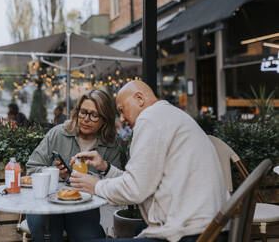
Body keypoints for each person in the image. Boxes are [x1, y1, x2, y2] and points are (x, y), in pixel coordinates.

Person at [70, 81, 228, 242]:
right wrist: (105, 167)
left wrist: (95, 185)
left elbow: (135, 189)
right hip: (210, 229)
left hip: (189, 234)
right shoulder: (168, 115)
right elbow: (143, 181)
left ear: (139, 98)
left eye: (122, 110)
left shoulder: (149, 118)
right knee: (138, 228)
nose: (122, 118)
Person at [26, 89, 123, 242]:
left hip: (84, 206)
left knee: (86, 236)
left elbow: (117, 184)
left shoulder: (111, 144)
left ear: (105, 119)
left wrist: (94, 178)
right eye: (83, 112)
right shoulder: (58, 133)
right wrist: (54, 173)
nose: (86, 119)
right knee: (47, 232)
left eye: (94, 115)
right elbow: (32, 168)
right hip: (48, 203)